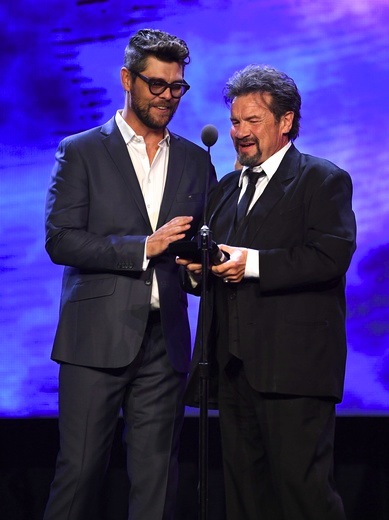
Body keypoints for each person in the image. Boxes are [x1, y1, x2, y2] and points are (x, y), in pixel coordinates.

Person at [44, 28, 216, 520]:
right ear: (127, 79)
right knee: (79, 473)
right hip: (94, 340)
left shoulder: (194, 159)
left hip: (166, 344)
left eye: (176, 86)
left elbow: (195, 252)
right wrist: (144, 247)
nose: (167, 96)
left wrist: (198, 271)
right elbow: (61, 240)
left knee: (158, 481)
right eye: (156, 84)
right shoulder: (80, 151)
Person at [178, 64, 356, 520]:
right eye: (236, 121)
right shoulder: (224, 191)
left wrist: (252, 264)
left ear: (286, 121)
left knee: (303, 498)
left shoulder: (322, 179)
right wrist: (199, 273)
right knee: (245, 502)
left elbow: (328, 257)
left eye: (252, 121)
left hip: (294, 373)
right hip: (234, 371)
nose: (240, 132)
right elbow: (216, 265)